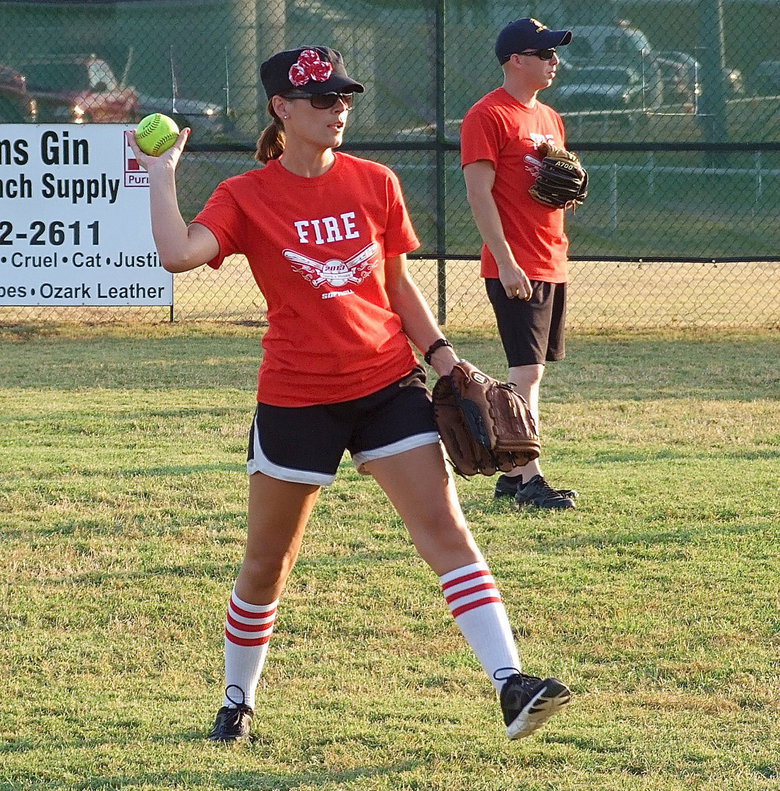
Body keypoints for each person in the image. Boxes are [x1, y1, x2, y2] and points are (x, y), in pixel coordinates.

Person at [127, 45, 571, 743]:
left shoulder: (375, 182)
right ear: (282, 108)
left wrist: (446, 359)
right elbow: (178, 253)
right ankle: (238, 697)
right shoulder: (247, 194)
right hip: (297, 397)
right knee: (267, 561)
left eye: (343, 98)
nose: (338, 110)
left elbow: (395, 286)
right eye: (321, 100)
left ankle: (511, 683)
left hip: (386, 384)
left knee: (448, 531)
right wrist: (160, 176)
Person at [461, 18, 579, 510]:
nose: (555, 61)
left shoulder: (549, 117)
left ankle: (512, 475)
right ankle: (530, 479)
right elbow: (478, 192)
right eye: (545, 53)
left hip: (552, 258)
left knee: (532, 374)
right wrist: (505, 261)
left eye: (555, 54)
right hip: (517, 263)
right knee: (525, 374)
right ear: (516, 60)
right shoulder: (487, 115)